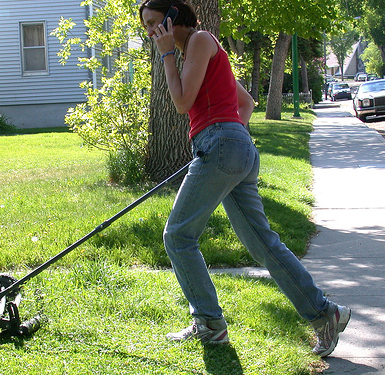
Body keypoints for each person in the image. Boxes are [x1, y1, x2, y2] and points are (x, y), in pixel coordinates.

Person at [139, 0, 351, 357]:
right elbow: (247, 102)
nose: (151, 32)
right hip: (228, 146)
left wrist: (165, 56)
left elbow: (181, 102)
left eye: (156, 23)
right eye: (146, 26)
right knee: (262, 244)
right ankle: (325, 313)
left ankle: (209, 322)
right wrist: (230, 138)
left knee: (178, 236)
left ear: (175, 16)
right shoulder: (200, 50)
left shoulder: (200, 41)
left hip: (221, 145)